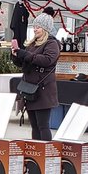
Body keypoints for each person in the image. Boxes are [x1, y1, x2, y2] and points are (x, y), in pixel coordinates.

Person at [11, 13, 61, 141]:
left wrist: (26, 54)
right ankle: (36, 153)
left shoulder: (52, 43)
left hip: (43, 90)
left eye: (38, 27)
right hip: (30, 90)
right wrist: (17, 55)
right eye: (34, 26)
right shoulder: (33, 44)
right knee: (34, 126)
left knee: (43, 125)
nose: (35, 29)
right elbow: (24, 64)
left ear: (45, 28)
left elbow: (47, 60)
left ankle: (45, 153)